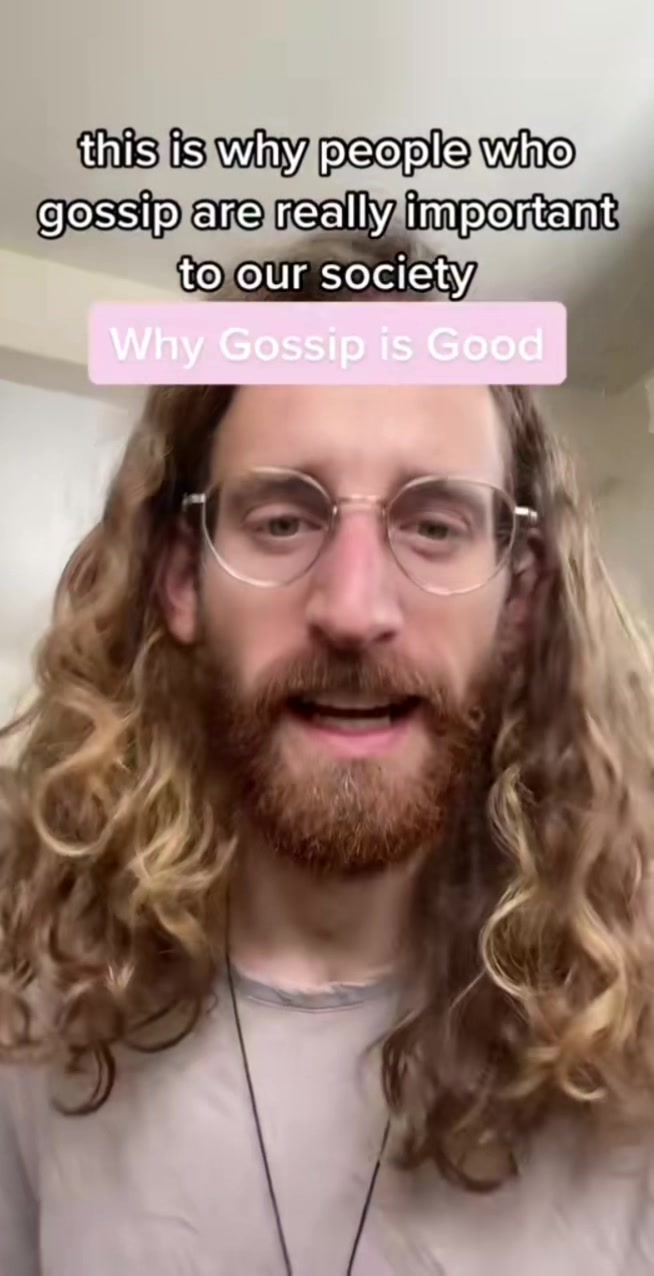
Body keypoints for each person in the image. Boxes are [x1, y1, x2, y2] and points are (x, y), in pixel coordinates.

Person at [1, 231, 654, 1276]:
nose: (353, 607)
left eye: (434, 524)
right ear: (181, 579)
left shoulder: (636, 1049)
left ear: (522, 598)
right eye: (281, 520)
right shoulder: (29, 1023)